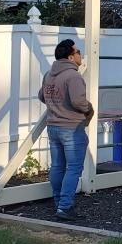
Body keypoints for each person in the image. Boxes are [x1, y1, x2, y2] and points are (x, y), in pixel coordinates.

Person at [39, 38, 94, 221]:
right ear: (71, 57)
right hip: (71, 128)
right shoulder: (73, 76)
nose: (81, 55)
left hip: (53, 127)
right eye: (78, 52)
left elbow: (42, 96)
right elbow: (79, 102)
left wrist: (57, 106)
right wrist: (89, 109)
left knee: (57, 166)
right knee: (73, 168)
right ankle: (65, 207)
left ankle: (58, 203)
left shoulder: (49, 74)